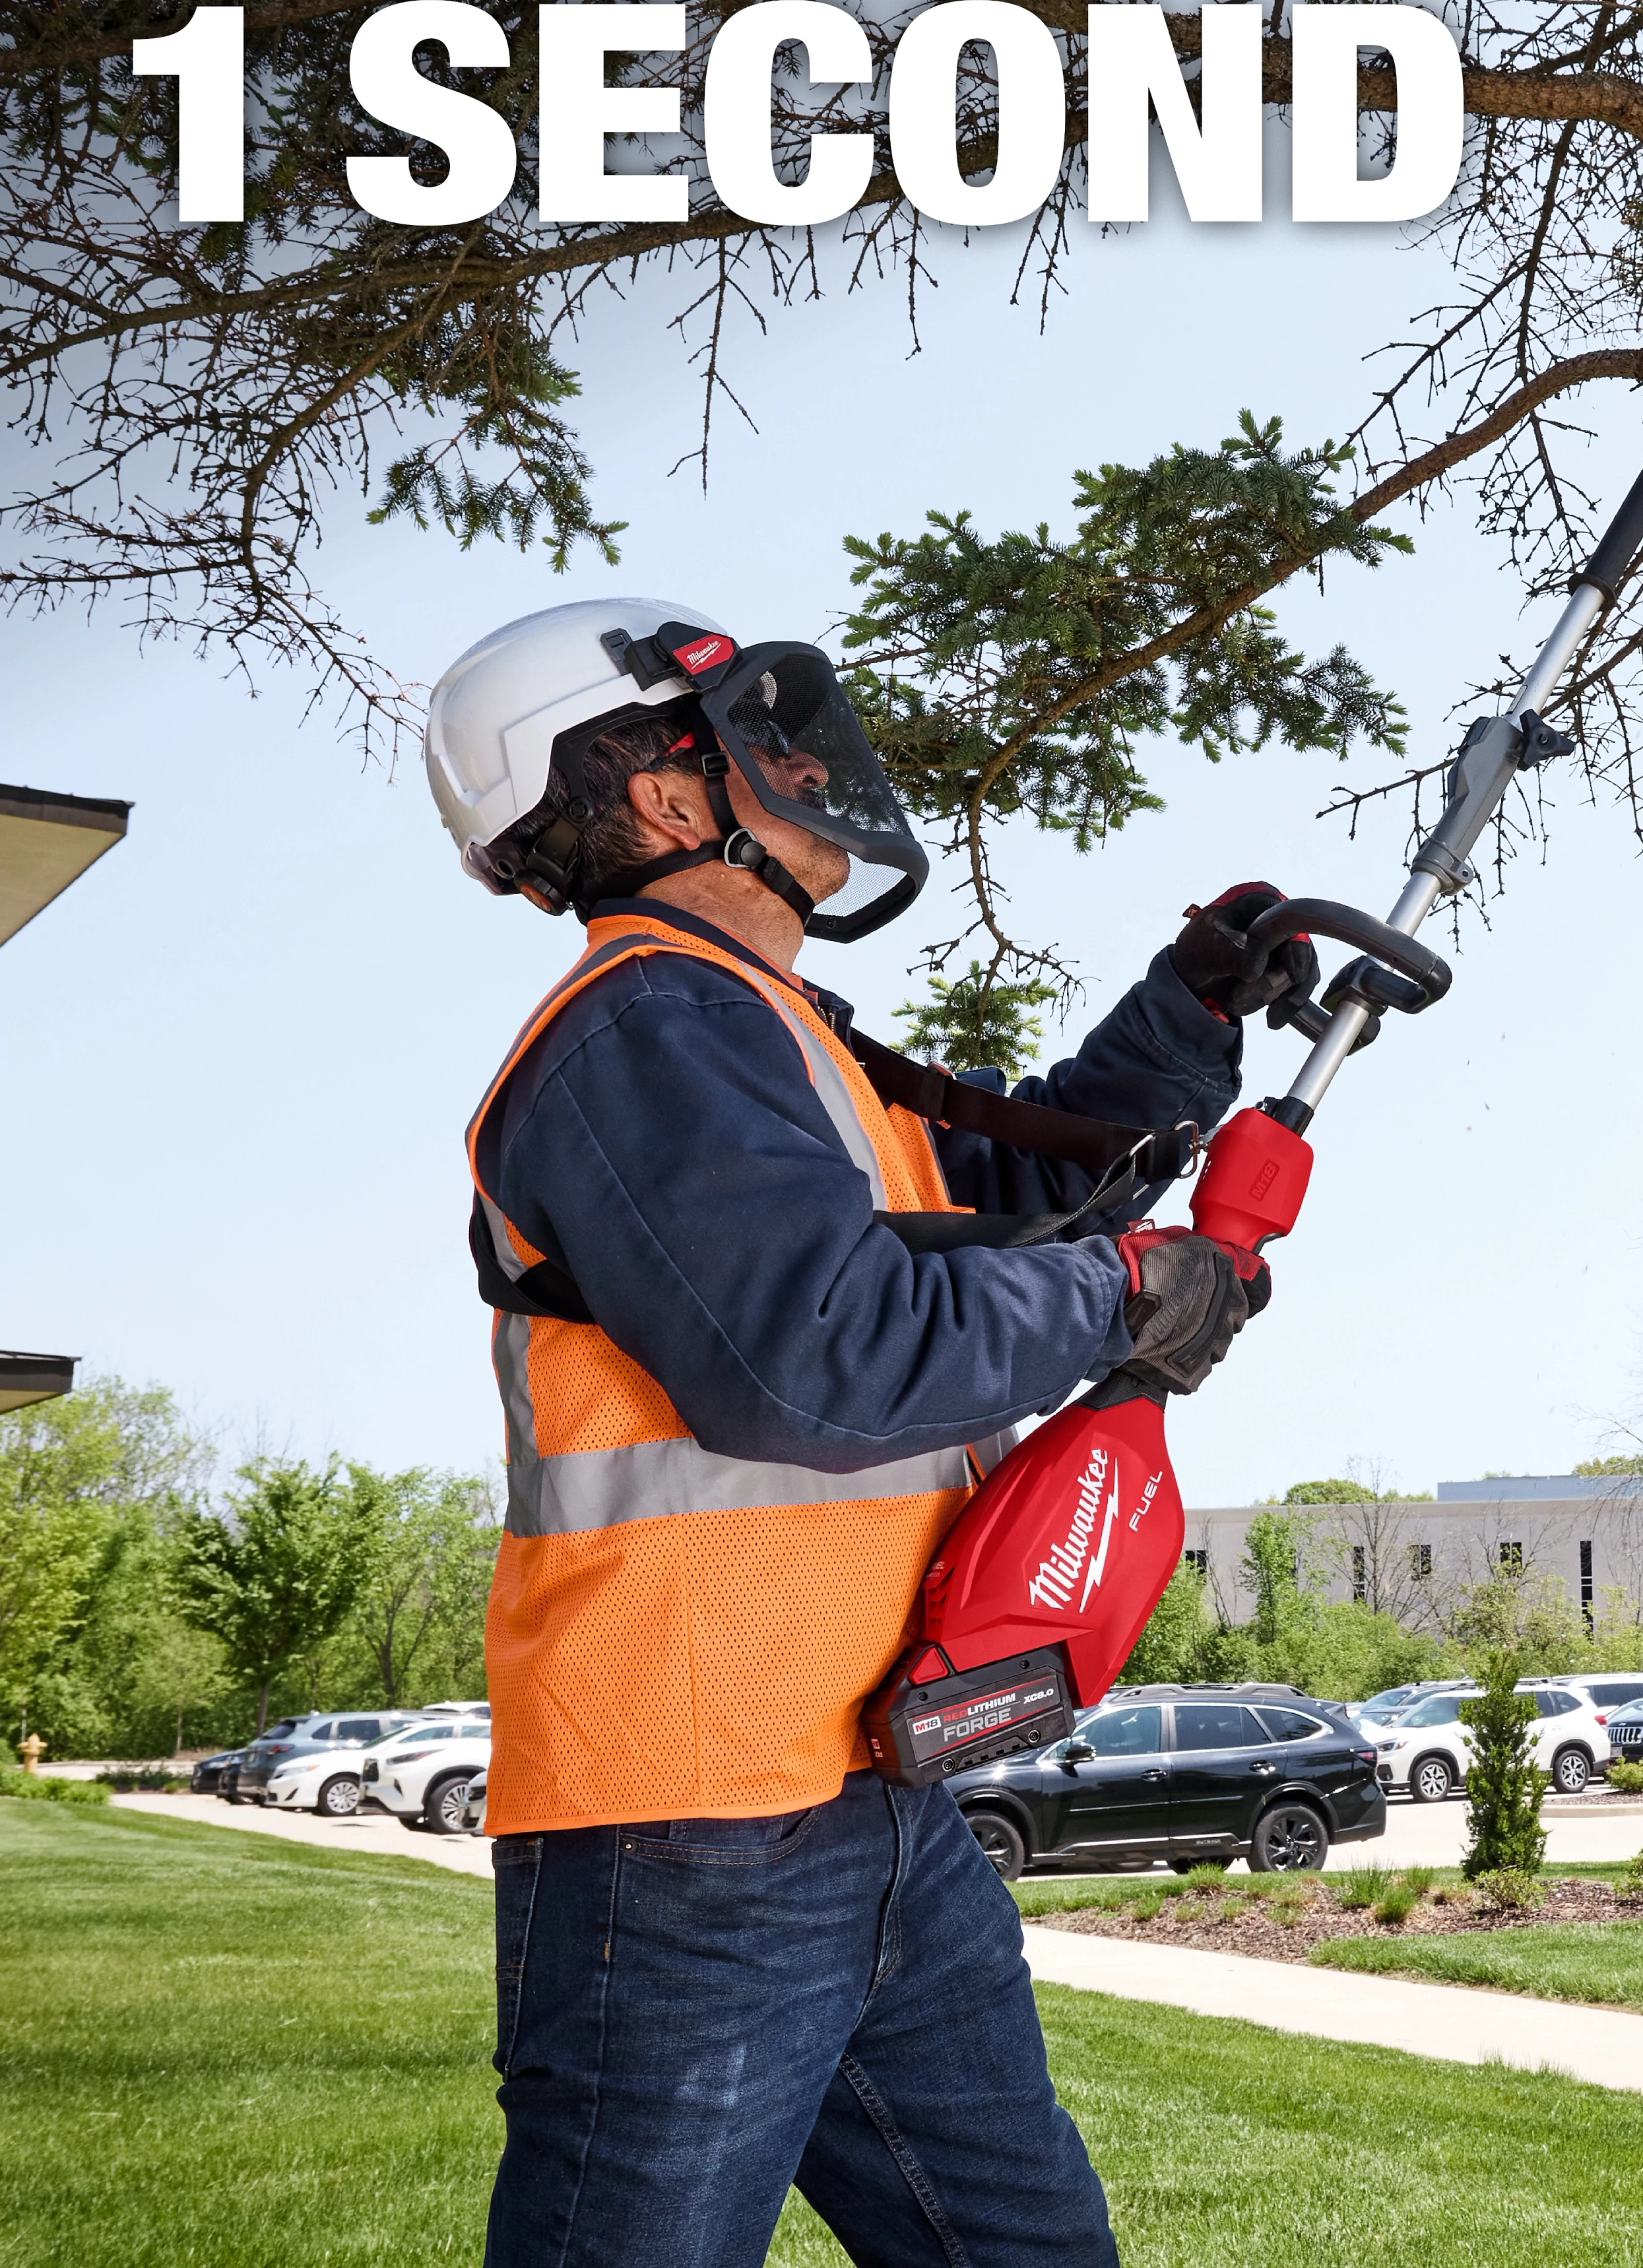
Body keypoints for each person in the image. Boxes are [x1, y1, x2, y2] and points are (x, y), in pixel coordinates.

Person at [424, 599, 1314, 2268]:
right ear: (671, 799)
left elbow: (1007, 1202)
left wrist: (1188, 1011)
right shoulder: (645, 1031)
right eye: (763, 734)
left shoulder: (769, 1037)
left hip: (879, 1785)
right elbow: (819, 1359)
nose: (815, 763)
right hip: (688, 1818)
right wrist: (1132, 1298)